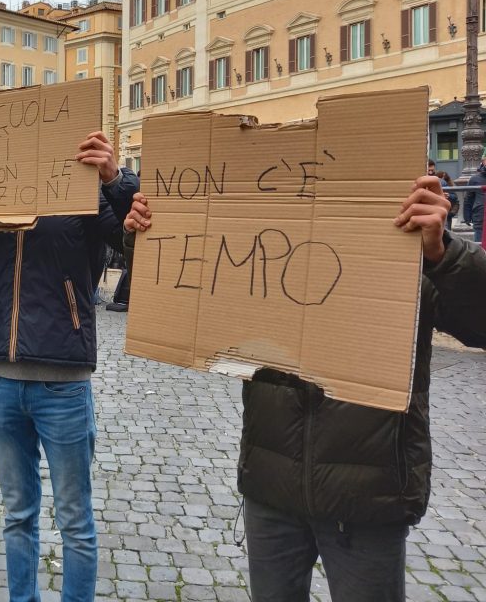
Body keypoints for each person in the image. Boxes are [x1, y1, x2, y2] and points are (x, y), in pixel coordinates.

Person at [123, 176, 486, 601]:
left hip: (368, 495)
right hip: (271, 484)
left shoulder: (410, 247)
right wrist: (147, 237)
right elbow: (193, 293)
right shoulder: (266, 235)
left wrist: (443, 253)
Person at [0, 131, 138, 602]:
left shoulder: (84, 196)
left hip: (65, 385)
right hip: (4, 385)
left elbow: (135, 239)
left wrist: (115, 179)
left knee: (74, 520)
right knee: (17, 515)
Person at [463, 153, 486, 243]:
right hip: (480, 217)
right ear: (483, 161)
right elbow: (468, 198)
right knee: (480, 247)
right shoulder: (475, 179)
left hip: (479, 215)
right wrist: (467, 216)